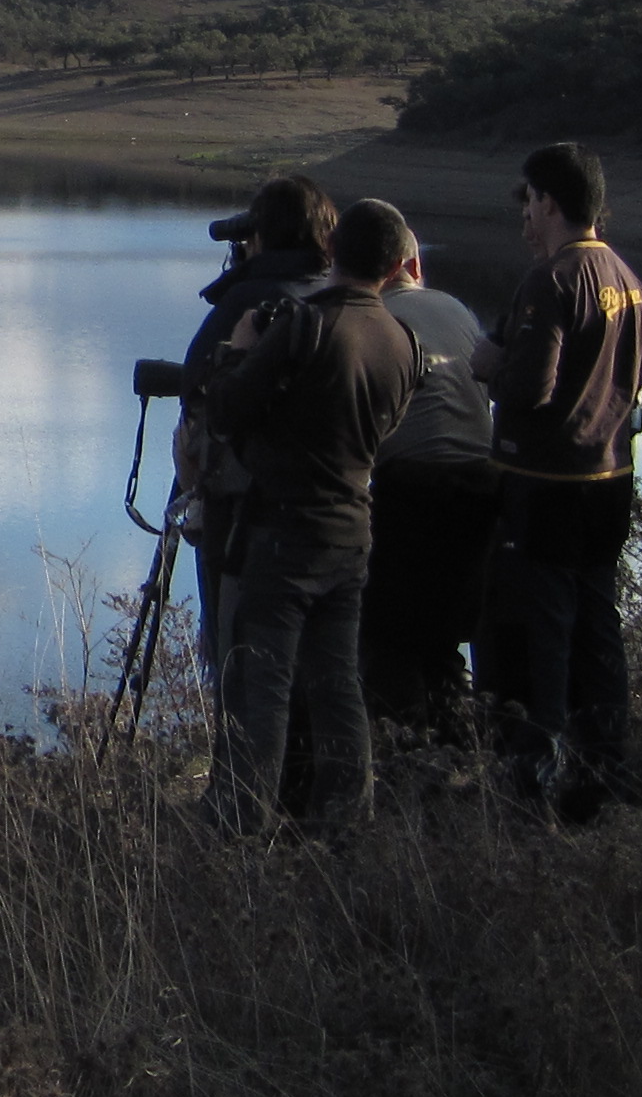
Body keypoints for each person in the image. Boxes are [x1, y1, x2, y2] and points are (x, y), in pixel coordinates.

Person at [200, 200, 423, 825]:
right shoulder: (402, 340)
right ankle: (347, 824)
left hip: (283, 533)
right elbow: (388, 426)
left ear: (335, 252)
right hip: (351, 532)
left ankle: (243, 829)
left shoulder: (306, 325)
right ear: (393, 264)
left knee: (262, 689)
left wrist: (238, 350)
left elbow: (227, 410)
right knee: (337, 684)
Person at [470, 142, 642, 811]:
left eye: (528, 200)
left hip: (546, 482)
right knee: (598, 625)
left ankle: (542, 779)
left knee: (541, 631)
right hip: (609, 476)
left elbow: (531, 387)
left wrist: (490, 364)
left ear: (548, 200)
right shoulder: (623, 276)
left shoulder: (553, 279)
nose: (524, 215)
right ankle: (605, 765)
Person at [176, 177, 336, 694]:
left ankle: (240, 765)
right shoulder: (338, 295)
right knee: (317, 665)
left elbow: (199, 388)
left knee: (237, 655)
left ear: (261, 234)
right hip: (329, 504)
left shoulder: (245, 299)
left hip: (239, 503)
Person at [359, 231, 499, 743]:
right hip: (482, 488)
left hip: (413, 489)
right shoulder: (457, 310)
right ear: (413, 265)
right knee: (446, 632)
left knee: (389, 636)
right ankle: (458, 741)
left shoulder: (371, 321)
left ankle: (404, 757)